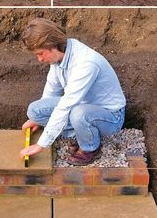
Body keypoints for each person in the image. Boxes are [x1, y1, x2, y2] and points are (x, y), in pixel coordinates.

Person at [20, 18, 126, 166]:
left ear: (52, 46)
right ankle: (83, 132)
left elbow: (66, 105)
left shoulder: (86, 64)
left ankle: (90, 147)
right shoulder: (60, 57)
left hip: (110, 117)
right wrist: (39, 118)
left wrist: (41, 144)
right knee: (35, 110)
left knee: (79, 114)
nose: (39, 59)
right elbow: (52, 89)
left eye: (40, 53)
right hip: (82, 106)